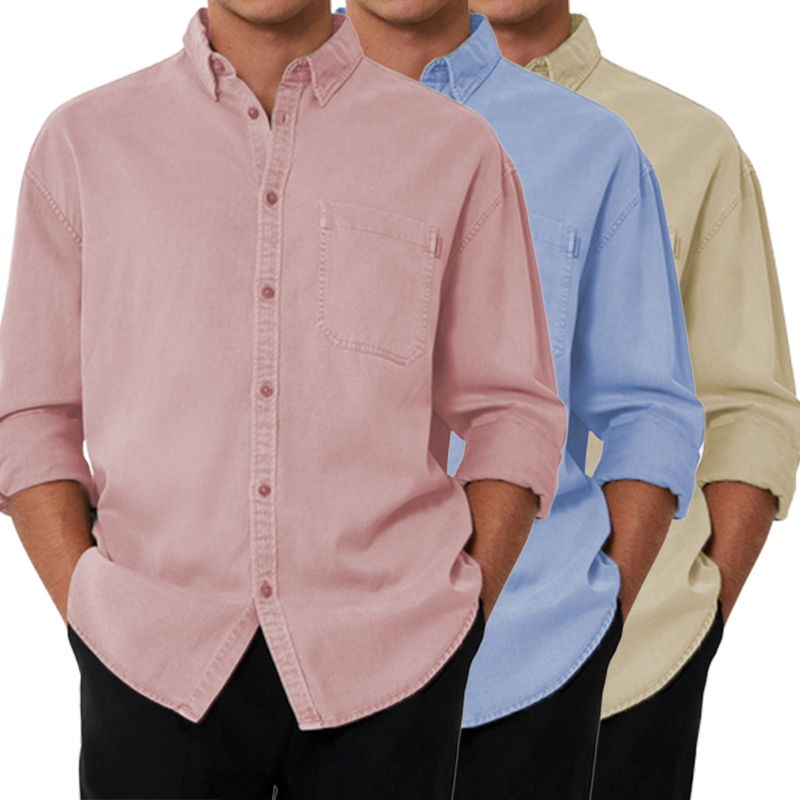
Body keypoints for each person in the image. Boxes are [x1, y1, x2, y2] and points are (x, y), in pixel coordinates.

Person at [0, 1, 568, 797]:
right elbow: (31, 412)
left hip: (395, 664)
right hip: (149, 662)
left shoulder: (453, 148)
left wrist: (466, 607)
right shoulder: (83, 144)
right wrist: (89, 606)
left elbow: (514, 410)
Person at [345, 2, 704, 797]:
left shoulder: (592, 147)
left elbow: (650, 411)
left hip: (526, 680)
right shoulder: (253, 135)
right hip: (299, 681)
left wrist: (600, 611)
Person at [469, 0, 800, 797]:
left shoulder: (686, 145)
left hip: (622, 681)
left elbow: (749, 411)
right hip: (348, 675)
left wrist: (678, 616)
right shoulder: (324, 121)